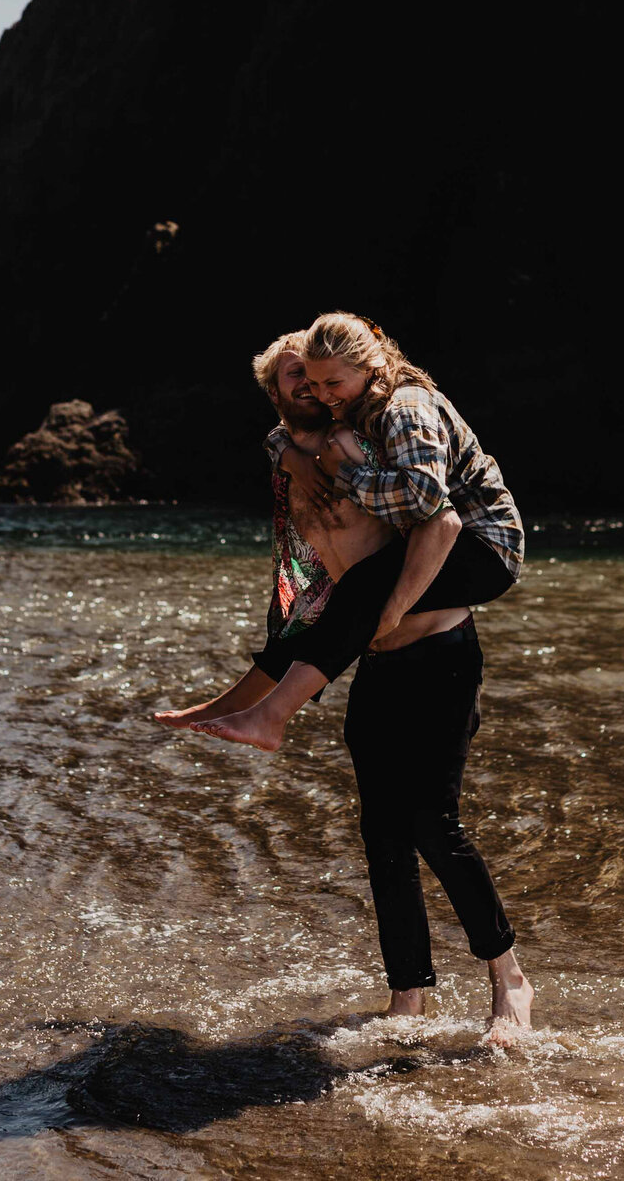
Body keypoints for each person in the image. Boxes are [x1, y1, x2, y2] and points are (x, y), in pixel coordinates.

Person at [160, 326, 532, 1036]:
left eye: (320, 377)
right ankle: (408, 1002)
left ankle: (508, 976)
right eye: (294, 379)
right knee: (382, 833)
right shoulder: (295, 464)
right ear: (275, 395)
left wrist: (384, 610)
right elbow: (304, 612)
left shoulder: (362, 442)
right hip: (378, 665)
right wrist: (217, 705)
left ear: (348, 380)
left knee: (433, 822)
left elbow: (439, 520)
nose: (310, 388)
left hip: (439, 652)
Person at [195, 312, 523, 753]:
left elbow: (426, 499)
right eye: (312, 382)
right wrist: (288, 454)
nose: (321, 394)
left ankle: (270, 717)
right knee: (343, 597)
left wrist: (345, 475)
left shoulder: (405, 407)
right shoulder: (359, 408)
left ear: (369, 367)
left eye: (331, 384)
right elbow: (282, 432)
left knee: (363, 586)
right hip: (447, 550)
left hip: (488, 546)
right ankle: (253, 711)